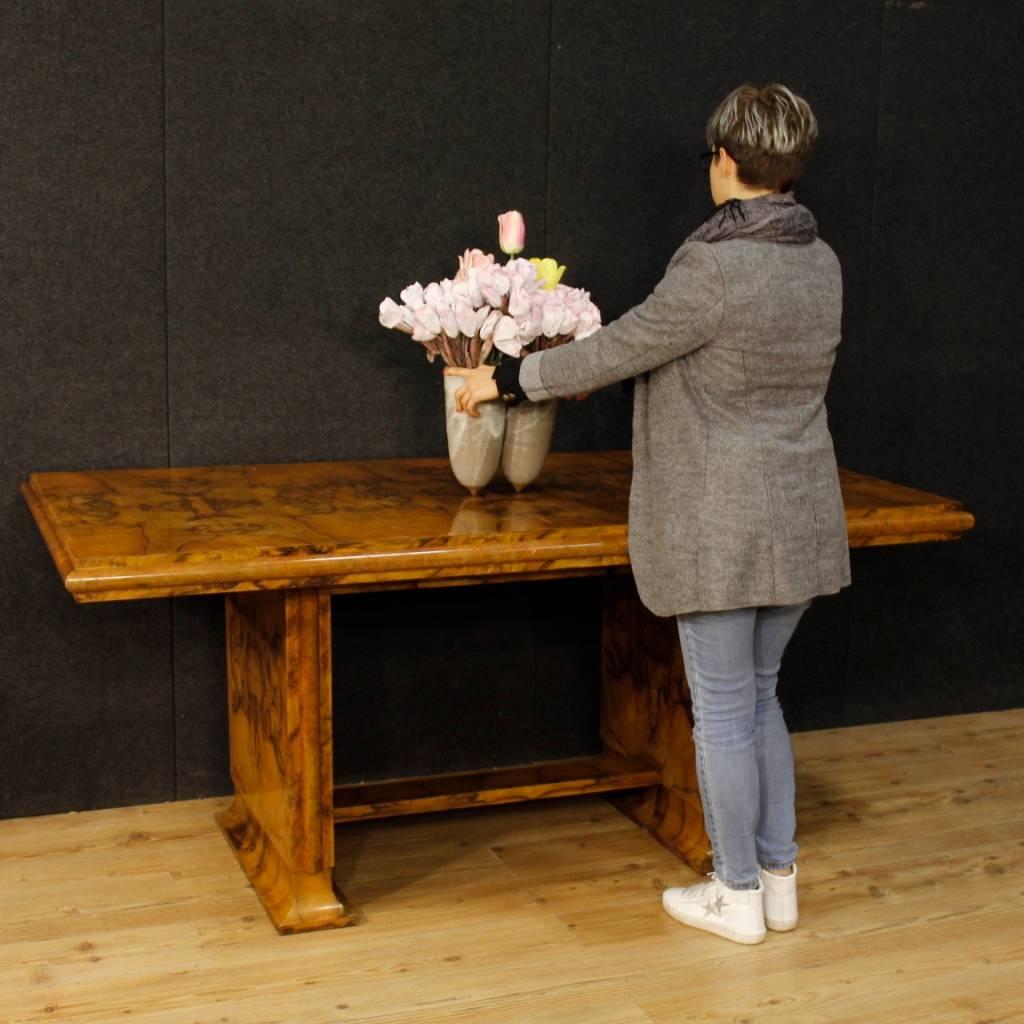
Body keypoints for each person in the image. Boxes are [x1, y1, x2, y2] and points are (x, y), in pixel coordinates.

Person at [445, 83, 850, 946]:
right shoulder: (821, 259)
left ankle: (734, 893)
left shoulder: (714, 264)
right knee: (764, 697)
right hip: (802, 511)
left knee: (725, 709)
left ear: (727, 161)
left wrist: (504, 378)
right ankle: (776, 883)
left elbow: (621, 348)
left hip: (720, 522)